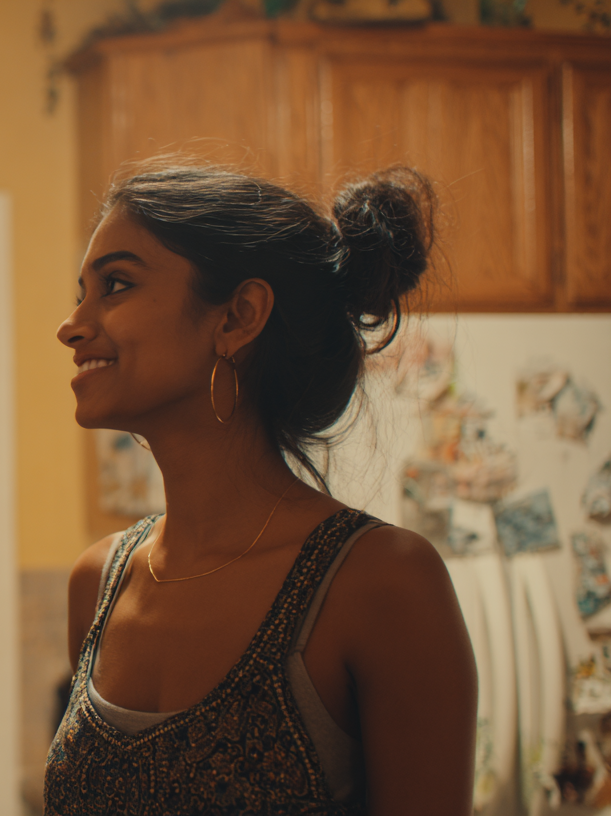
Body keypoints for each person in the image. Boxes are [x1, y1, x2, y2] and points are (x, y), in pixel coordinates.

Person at [45, 164, 476, 815]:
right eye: (82, 292)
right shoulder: (98, 584)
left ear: (238, 317)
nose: (71, 325)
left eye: (116, 285)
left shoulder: (379, 583)